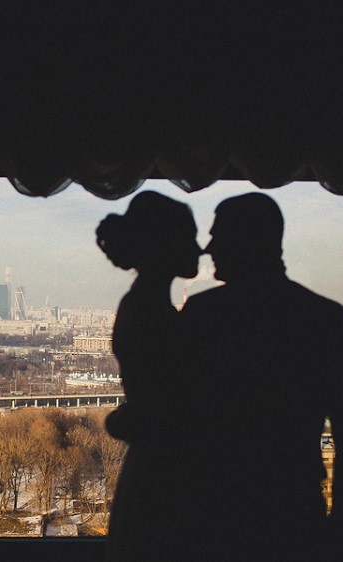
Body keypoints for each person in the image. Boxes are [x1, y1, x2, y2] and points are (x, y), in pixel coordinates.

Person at [181, 192, 343, 560]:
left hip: (211, 519)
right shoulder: (325, 320)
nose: (208, 248)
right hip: (294, 516)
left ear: (246, 242)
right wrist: (337, 536)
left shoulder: (202, 315)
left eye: (218, 236)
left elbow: (177, 430)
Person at [96, 191, 202, 561]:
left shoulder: (144, 304)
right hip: (164, 483)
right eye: (190, 238)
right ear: (164, 245)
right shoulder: (151, 312)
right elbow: (170, 408)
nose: (199, 249)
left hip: (153, 475)